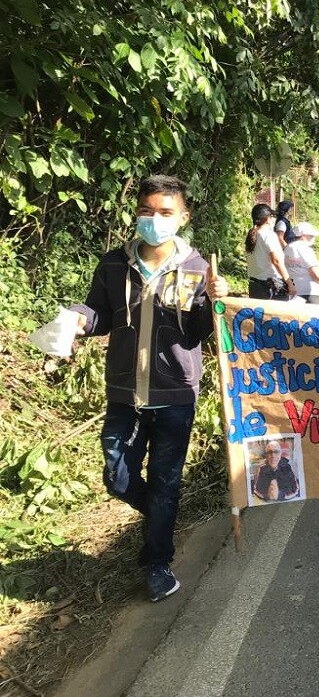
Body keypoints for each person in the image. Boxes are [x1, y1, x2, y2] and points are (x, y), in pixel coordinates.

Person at [69, 174, 229, 602]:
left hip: (175, 394)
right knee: (117, 476)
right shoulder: (113, 264)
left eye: (165, 213)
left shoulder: (198, 269)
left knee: (165, 480)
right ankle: (163, 513)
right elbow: (100, 315)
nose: (154, 220)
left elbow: (199, 335)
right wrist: (78, 319)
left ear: (183, 217)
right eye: (146, 211)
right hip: (124, 391)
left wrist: (217, 303)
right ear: (137, 213)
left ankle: (157, 562)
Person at [246, 203, 296, 300]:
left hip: (254, 285)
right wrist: (289, 283)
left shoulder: (252, 235)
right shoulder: (269, 235)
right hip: (271, 286)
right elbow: (276, 261)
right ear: (268, 218)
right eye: (272, 216)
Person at [284, 222, 319, 304]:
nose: (313, 238)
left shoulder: (288, 247)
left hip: (293, 289)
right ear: (303, 235)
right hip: (309, 291)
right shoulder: (305, 248)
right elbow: (313, 271)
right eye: (311, 236)